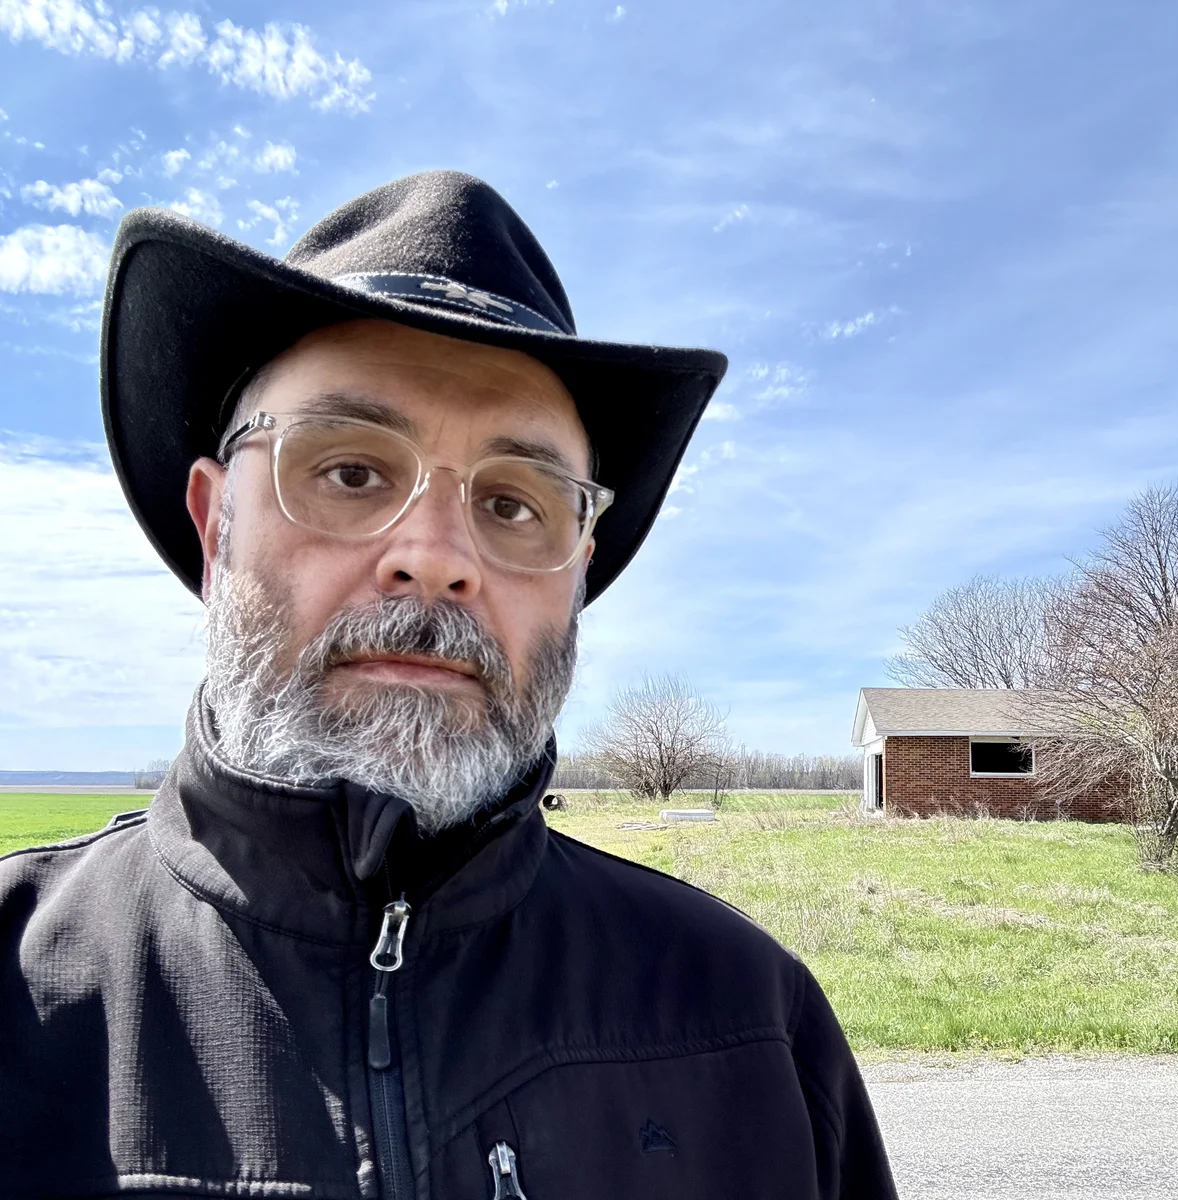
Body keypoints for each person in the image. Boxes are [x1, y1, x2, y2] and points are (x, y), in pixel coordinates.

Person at [0, 171, 898, 1199]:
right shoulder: (17, 994)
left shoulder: (748, 1022)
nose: (435, 557)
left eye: (516, 504)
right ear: (217, 525)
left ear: (578, 572)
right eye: (348, 471)